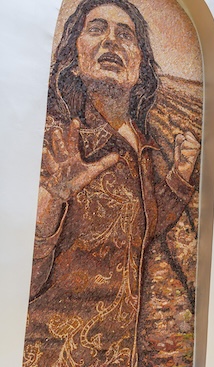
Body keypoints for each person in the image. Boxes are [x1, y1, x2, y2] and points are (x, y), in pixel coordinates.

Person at [23, 0, 202, 366]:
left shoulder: (140, 141)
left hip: (121, 351)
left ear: (140, 64)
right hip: (57, 353)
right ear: (74, 56)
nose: (112, 41)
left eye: (125, 34)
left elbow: (142, 229)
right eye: (96, 29)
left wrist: (179, 177)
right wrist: (52, 197)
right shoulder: (53, 142)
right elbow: (19, 279)